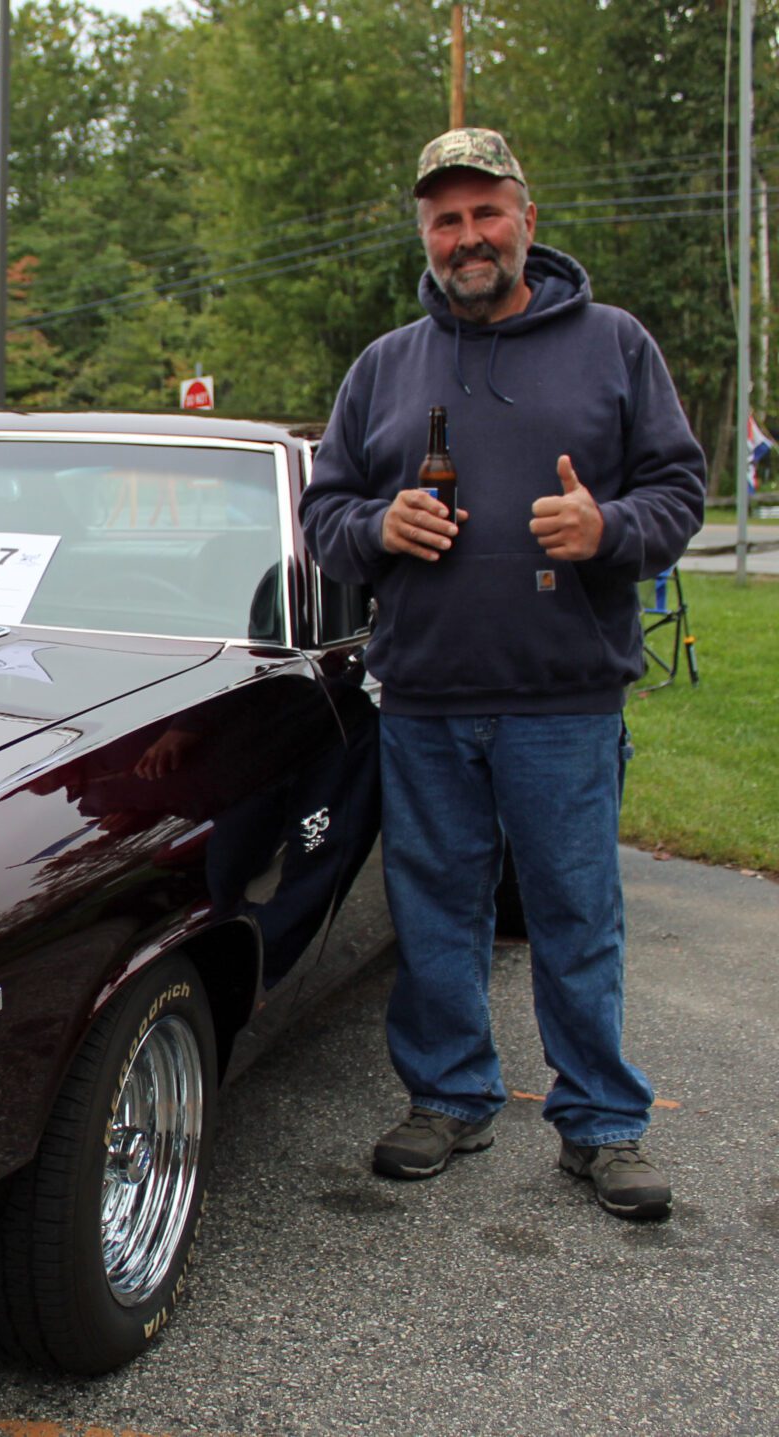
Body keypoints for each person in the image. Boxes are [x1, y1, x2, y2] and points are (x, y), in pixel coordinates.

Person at [299, 129, 707, 1221]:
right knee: (433, 913)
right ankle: (448, 1098)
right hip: (424, 699)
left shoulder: (612, 345)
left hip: (562, 699)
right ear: (424, 236)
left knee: (576, 913)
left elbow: (677, 489)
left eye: (484, 212)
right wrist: (378, 522)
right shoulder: (383, 366)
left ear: (523, 215)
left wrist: (605, 526)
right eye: (444, 219)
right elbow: (321, 517)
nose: (466, 235)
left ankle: (601, 1125)